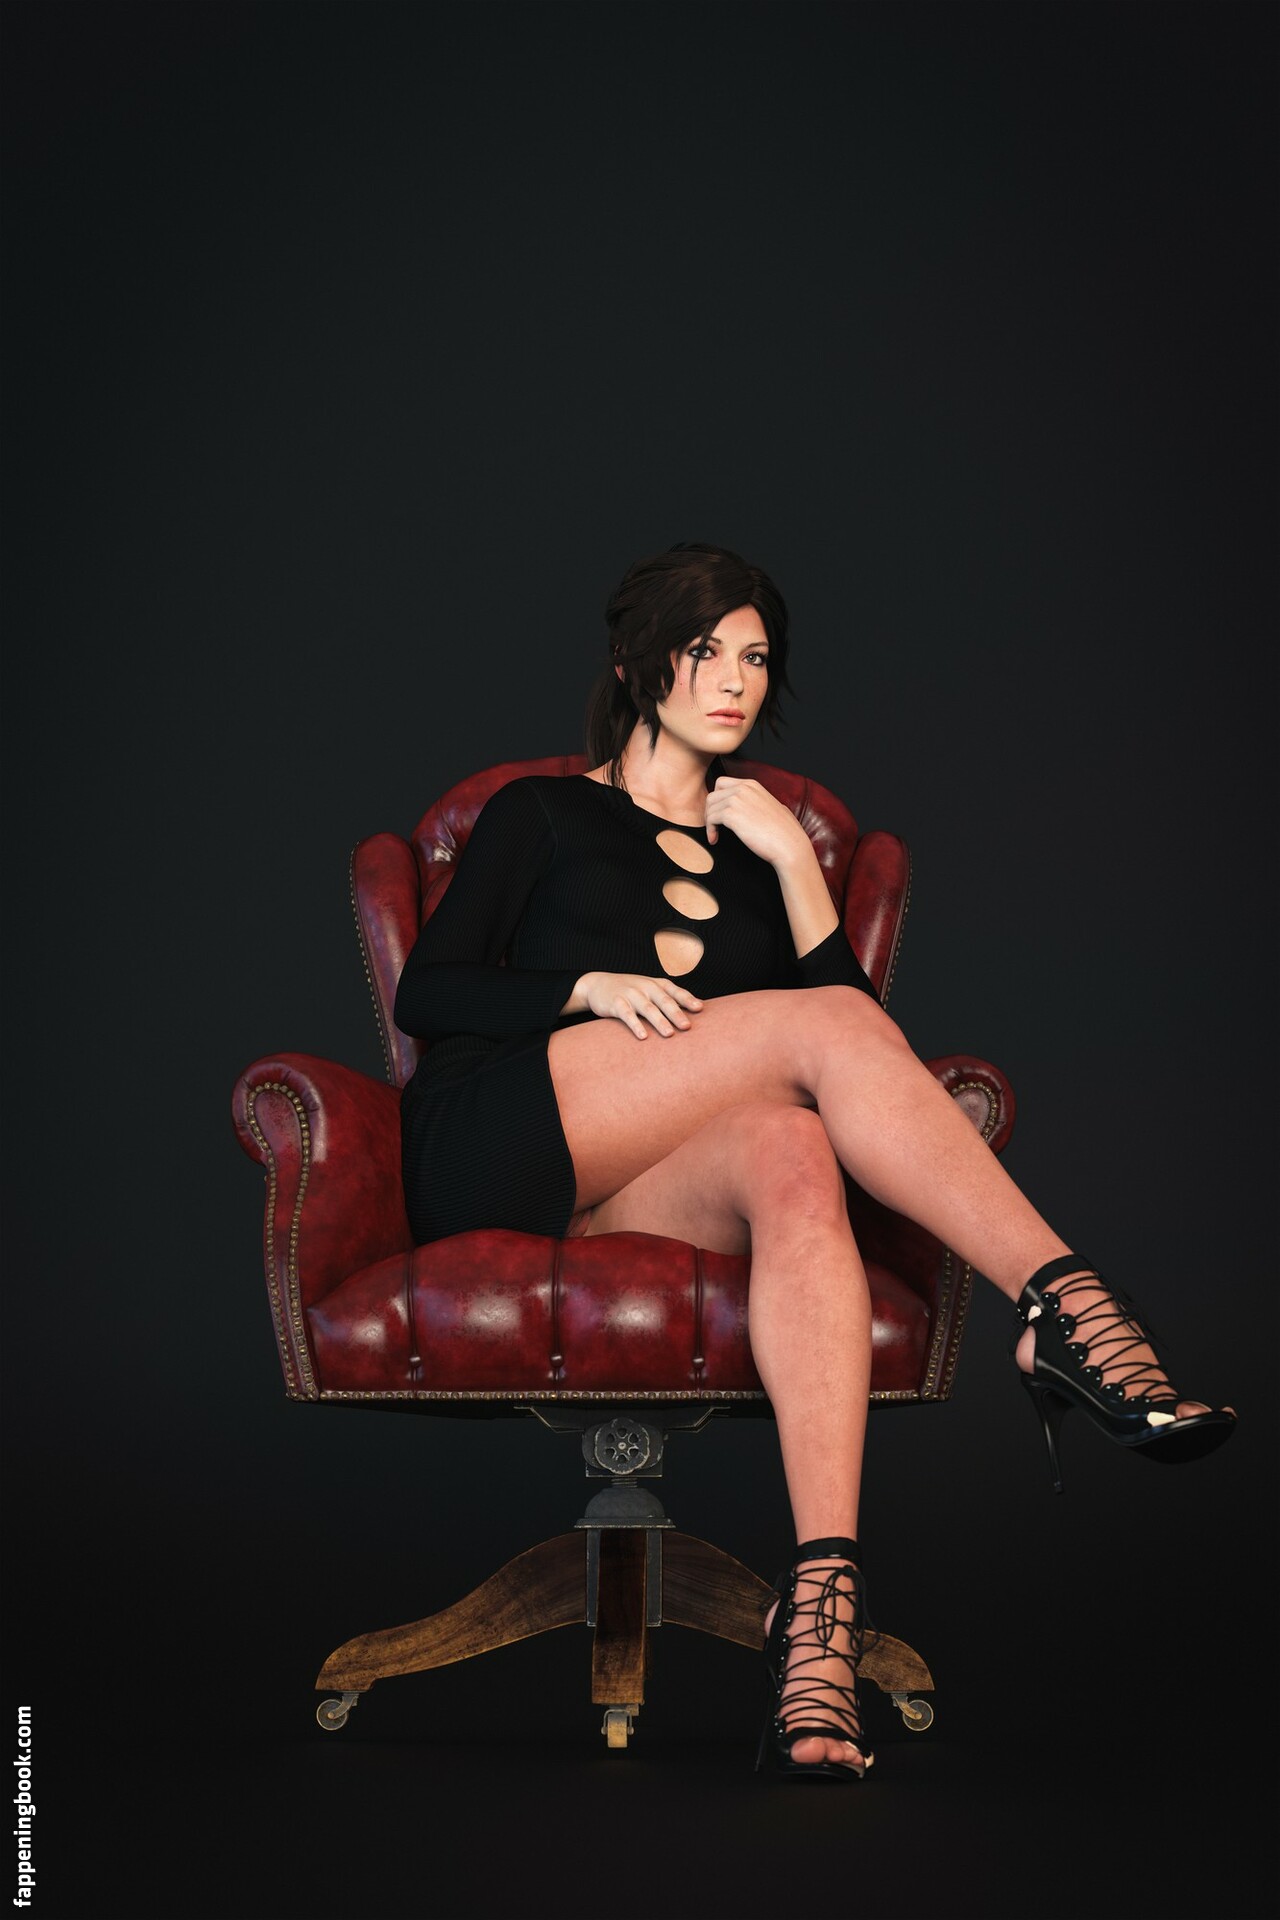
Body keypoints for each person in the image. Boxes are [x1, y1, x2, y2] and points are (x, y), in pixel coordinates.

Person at [393, 540, 1236, 1783]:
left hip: (637, 1188)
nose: (731, 682)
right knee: (810, 1035)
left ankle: (820, 1623)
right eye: (701, 653)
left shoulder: (761, 848)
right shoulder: (541, 814)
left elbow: (859, 1059)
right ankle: (1066, 1307)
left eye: (752, 659)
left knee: (795, 1146)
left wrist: (791, 862)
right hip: (501, 1138)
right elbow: (427, 993)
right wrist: (584, 987)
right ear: (633, 665)